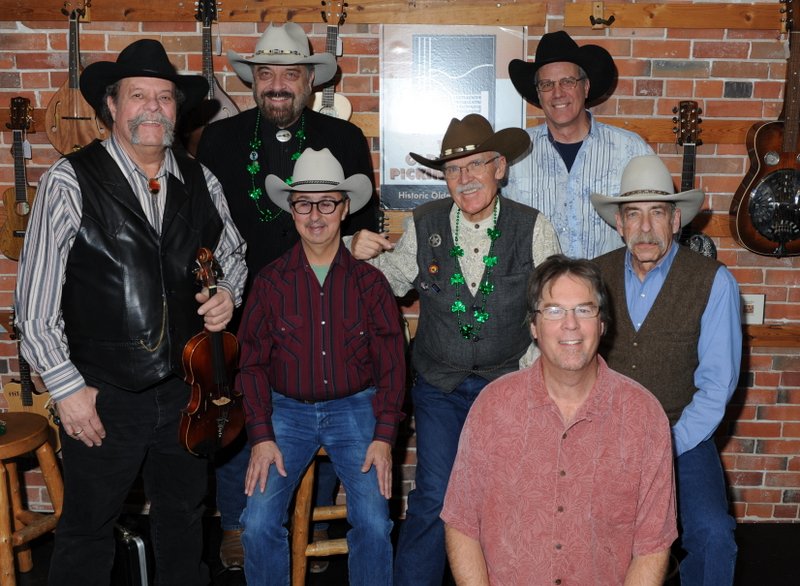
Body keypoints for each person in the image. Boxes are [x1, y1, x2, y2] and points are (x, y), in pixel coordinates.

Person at [14, 39, 247, 585]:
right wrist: (67, 391)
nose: (152, 108)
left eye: (164, 97)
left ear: (177, 109)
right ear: (113, 107)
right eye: (137, 95)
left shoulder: (202, 181)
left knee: (184, 520)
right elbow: (34, 306)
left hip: (186, 387)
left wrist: (228, 294)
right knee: (87, 529)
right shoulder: (69, 181)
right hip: (103, 394)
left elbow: (234, 255)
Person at [194, 22, 379, 568]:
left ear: (309, 81)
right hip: (241, 303)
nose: (277, 84)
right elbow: (204, 224)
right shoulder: (221, 139)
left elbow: (363, 222)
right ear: (253, 81)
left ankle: (311, 517)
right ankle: (235, 519)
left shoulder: (343, 139)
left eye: (290, 74)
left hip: (323, 304)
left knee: (323, 400)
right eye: (266, 74)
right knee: (240, 408)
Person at [350, 113, 562, 585]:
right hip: (439, 385)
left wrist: (530, 376)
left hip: (509, 387)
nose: (464, 180)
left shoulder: (533, 226)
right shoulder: (425, 224)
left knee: (508, 499)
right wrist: (347, 248)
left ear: (500, 168)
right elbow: (386, 283)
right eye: (452, 170)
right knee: (433, 495)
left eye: (475, 166)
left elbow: (554, 306)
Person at [441, 255, 678, 585]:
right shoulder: (493, 407)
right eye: (554, 310)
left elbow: (652, 546)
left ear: (603, 323)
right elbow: (462, 522)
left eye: (584, 309)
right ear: (534, 327)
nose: (570, 324)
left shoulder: (644, 416)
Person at [236, 147, 405, 585]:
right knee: (255, 524)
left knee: (373, 523)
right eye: (304, 203)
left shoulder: (371, 283)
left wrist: (384, 436)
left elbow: (391, 363)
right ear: (291, 210)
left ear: (345, 208)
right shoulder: (269, 282)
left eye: (327, 202)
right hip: (285, 412)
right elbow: (251, 363)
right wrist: (260, 435)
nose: (315, 215)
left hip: (356, 409)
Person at [591, 154, 741, 585]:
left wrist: (663, 447)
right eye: (633, 214)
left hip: (682, 435)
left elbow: (716, 387)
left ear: (676, 221)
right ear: (618, 224)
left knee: (714, 535)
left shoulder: (713, 282)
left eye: (657, 213)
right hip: (607, 435)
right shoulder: (592, 277)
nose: (644, 227)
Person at [504, 30, 654, 258]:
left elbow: (655, 224)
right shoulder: (515, 153)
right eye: (547, 84)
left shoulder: (630, 151)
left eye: (567, 81)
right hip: (536, 291)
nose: (557, 93)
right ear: (538, 93)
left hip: (610, 290)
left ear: (585, 87)